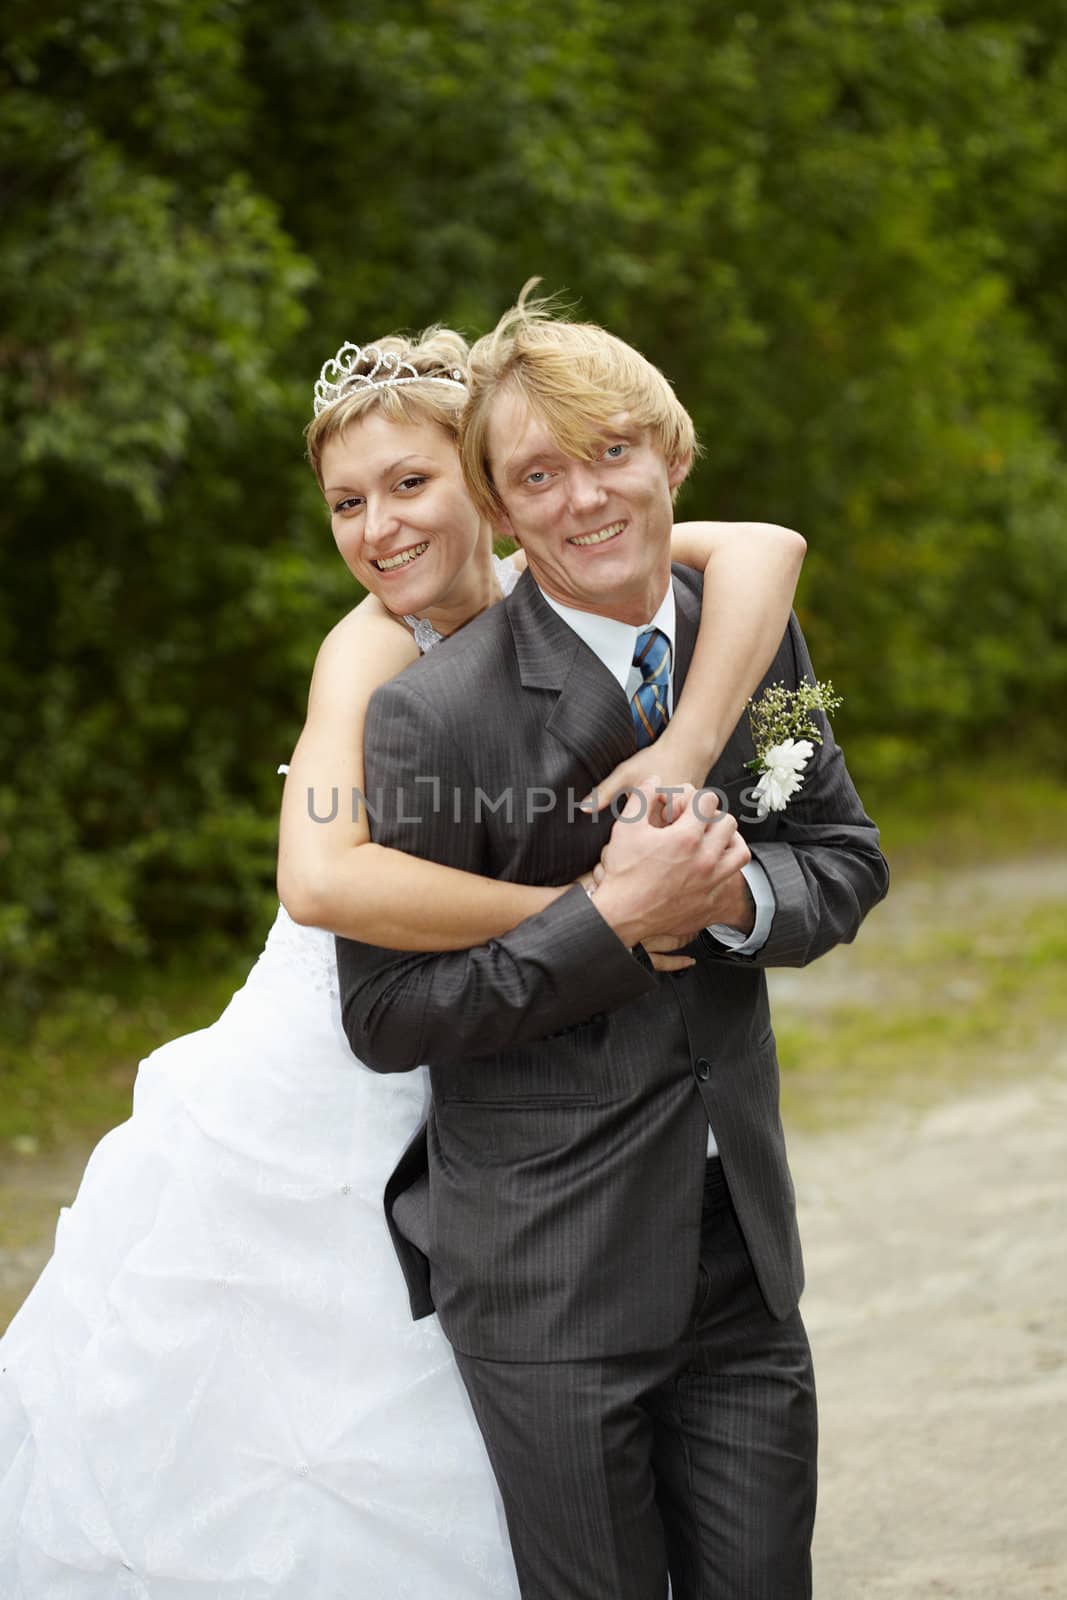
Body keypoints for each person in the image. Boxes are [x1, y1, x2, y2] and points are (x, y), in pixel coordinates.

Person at [0, 322, 807, 1598]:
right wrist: (590, 905)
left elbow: (764, 548)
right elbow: (322, 876)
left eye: (410, 484)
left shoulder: (566, 571)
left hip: (511, 1079)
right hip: (339, 1068)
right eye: (345, 502)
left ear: (485, 491)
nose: (377, 529)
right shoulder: (368, 650)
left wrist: (693, 736)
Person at [335, 290, 891, 1600]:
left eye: (610, 452)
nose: (585, 500)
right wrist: (607, 925)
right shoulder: (428, 718)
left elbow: (841, 855)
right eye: (536, 474)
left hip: (737, 1263)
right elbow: (386, 1015)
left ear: (670, 454)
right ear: (500, 508)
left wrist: (733, 903)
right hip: (549, 1281)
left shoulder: (743, 640)